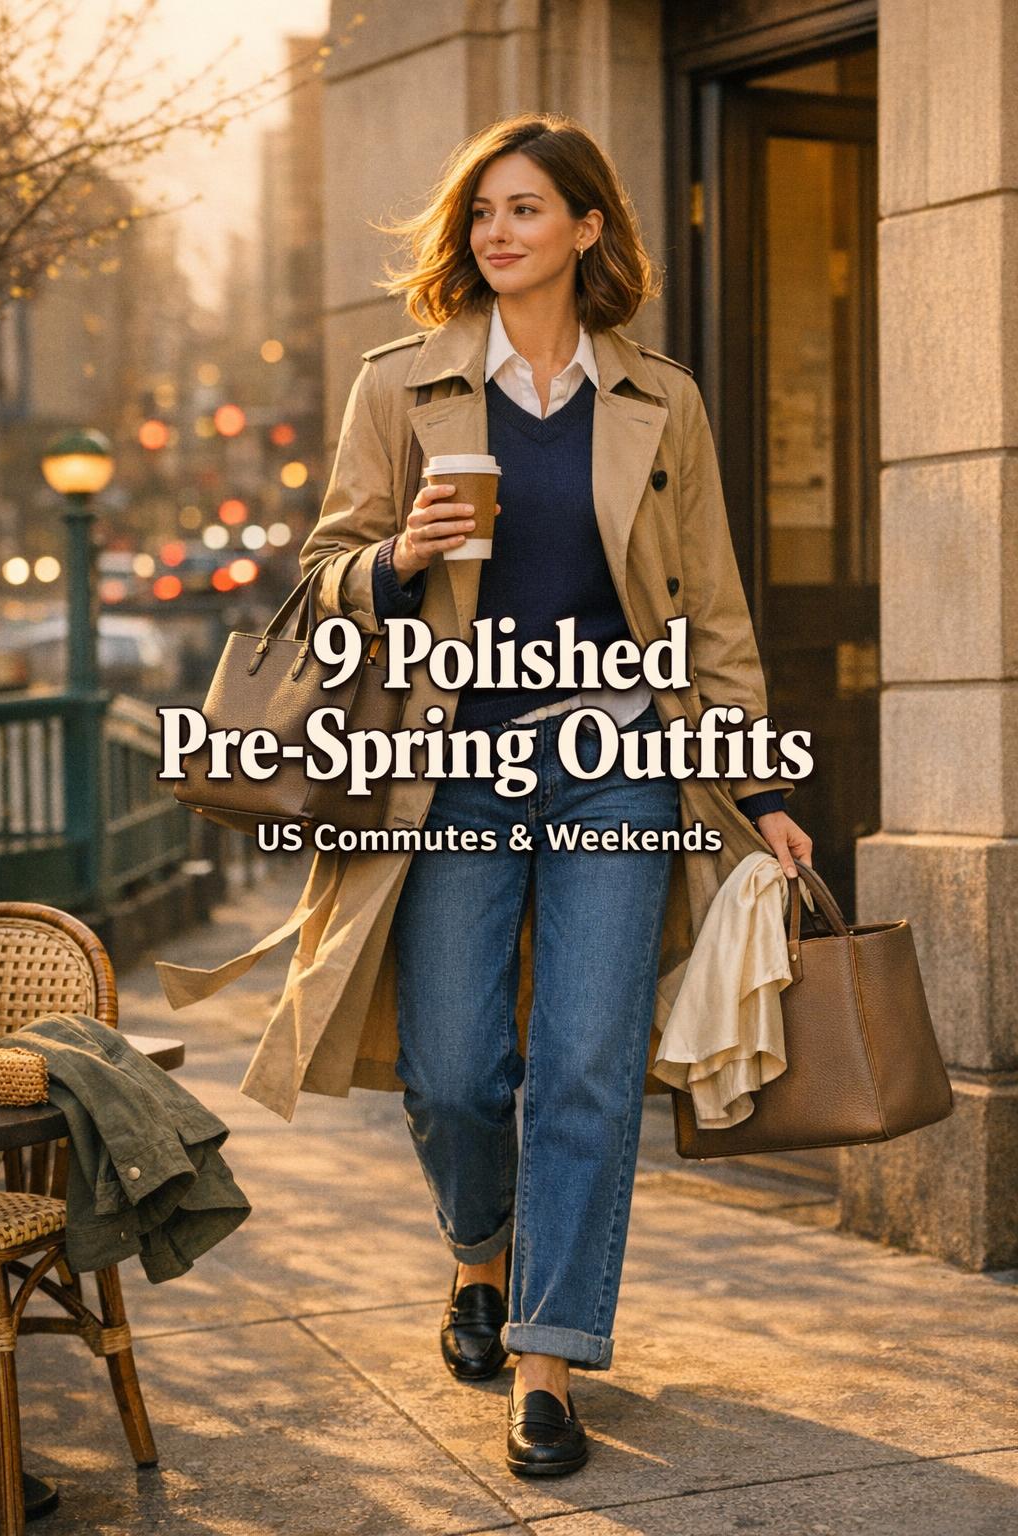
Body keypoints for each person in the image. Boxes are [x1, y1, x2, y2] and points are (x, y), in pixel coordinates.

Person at [299, 112, 813, 1477]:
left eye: (525, 209)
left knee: (587, 1069)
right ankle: (480, 1255)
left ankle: (549, 1361)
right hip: (457, 766)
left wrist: (757, 782)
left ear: (588, 228)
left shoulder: (662, 402)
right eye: (482, 213)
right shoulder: (400, 386)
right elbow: (320, 578)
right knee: (454, 1073)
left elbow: (713, 611)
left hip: (619, 767)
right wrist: (396, 559)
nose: (497, 232)